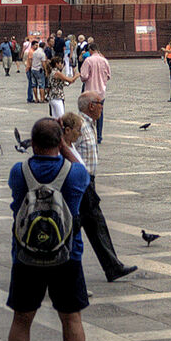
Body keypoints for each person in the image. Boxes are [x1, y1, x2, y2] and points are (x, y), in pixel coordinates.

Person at [5, 117, 92, 341]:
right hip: (67, 255)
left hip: (26, 256)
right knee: (71, 318)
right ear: (60, 141)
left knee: (22, 319)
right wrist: (66, 147)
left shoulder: (19, 172)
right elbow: (83, 173)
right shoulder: (75, 174)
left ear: (33, 142)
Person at [57, 110, 135, 281]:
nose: (79, 134)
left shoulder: (70, 145)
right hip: (78, 194)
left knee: (96, 228)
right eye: (77, 130)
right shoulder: (63, 148)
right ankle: (109, 268)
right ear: (67, 130)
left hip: (85, 190)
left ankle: (112, 267)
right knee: (79, 234)